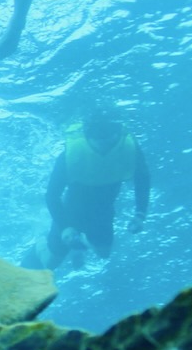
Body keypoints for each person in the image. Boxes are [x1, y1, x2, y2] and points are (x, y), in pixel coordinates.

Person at [24, 107, 150, 270]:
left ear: (118, 132)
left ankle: (78, 248)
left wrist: (140, 214)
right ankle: (41, 242)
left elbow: (143, 180)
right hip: (71, 211)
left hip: (104, 209)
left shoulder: (130, 149)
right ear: (88, 135)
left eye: (110, 136)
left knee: (104, 253)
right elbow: (52, 196)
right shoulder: (70, 155)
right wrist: (65, 227)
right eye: (99, 137)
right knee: (50, 262)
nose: (104, 143)